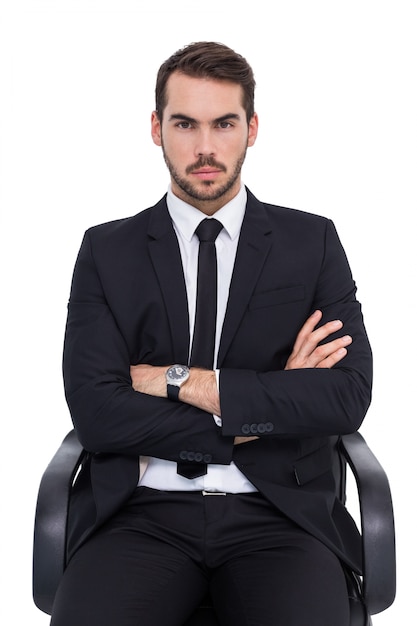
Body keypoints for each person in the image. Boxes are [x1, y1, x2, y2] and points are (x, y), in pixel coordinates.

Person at [51, 42, 372, 626]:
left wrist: (172, 381)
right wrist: (260, 410)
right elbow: (98, 411)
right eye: (184, 124)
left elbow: (345, 394)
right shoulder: (107, 250)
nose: (205, 148)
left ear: (251, 128)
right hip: (139, 516)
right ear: (156, 128)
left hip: (279, 517)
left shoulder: (311, 243)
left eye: (224, 123)